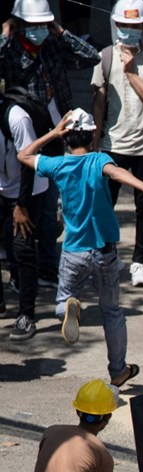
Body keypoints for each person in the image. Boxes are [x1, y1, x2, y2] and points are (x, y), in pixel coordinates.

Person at [18, 108, 143, 386]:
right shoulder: (98, 160)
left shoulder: (58, 165)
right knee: (112, 312)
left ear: (67, 138)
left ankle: (68, 309)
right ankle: (118, 370)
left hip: (73, 251)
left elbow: (24, 155)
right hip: (103, 250)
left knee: (63, 300)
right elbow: (116, 174)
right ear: (93, 136)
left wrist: (53, 133)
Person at [0, 0, 100, 287]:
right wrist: (6, 34)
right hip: (24, 137)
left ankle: (47, 268)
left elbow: (91, 56)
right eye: (33, 26)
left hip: (57, 136)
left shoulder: (54, 46)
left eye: (43, 25)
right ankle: (20, 271)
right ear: (20, 25)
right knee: (20, 205)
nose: (38, 31)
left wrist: (61, 33)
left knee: (48, 206)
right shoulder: (11, 52)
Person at [91, 0, 143, 287]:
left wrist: (132, 72)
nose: (129, 30)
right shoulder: (105, 57)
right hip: (112, 144)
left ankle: (140, 263)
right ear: (116, 25)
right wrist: (95, 139)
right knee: (104, 205)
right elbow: (99, 101)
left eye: (135, 26)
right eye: (124, 25)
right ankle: (108, 254)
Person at [1, 84, 49, 341]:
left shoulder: (16, 118)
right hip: (2, 186)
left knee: (23, 247)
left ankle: (26, 315)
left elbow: (29, 163)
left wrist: (21, 206)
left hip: (28, 189)